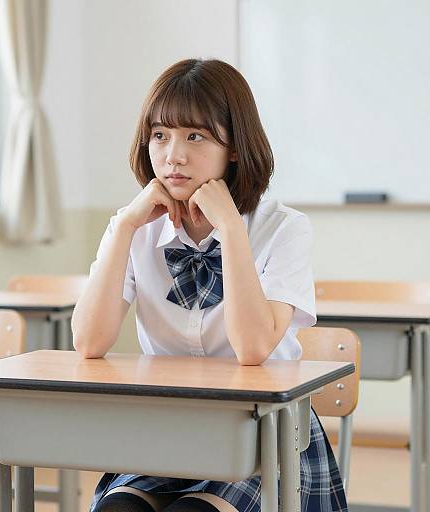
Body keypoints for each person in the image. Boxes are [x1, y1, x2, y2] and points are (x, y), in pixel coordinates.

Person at [72, 58, 347, 512]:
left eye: (194, 136)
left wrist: (231, 232)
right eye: (160, 135)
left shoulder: (284, 229)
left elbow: (253, 348)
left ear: (235, 147)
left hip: (263, 436)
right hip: (167, 428)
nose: (172, 155)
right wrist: (123, 229)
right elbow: (88, 342)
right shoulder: (134, 227)